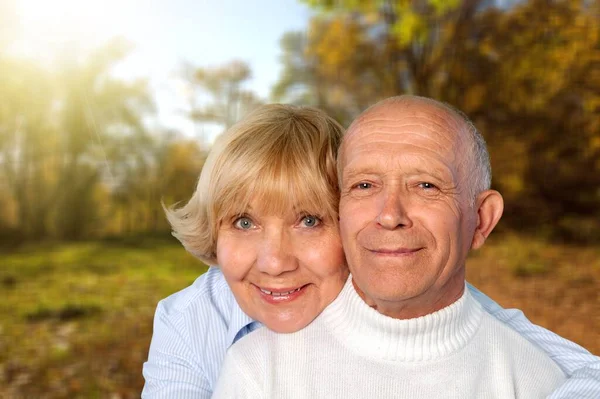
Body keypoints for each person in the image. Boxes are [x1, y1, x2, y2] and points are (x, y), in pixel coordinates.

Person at [142, 103, 600, 398]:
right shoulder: (193, 320)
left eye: (309, 220)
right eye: (244, 222)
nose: (275, 262)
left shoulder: (464, 324)